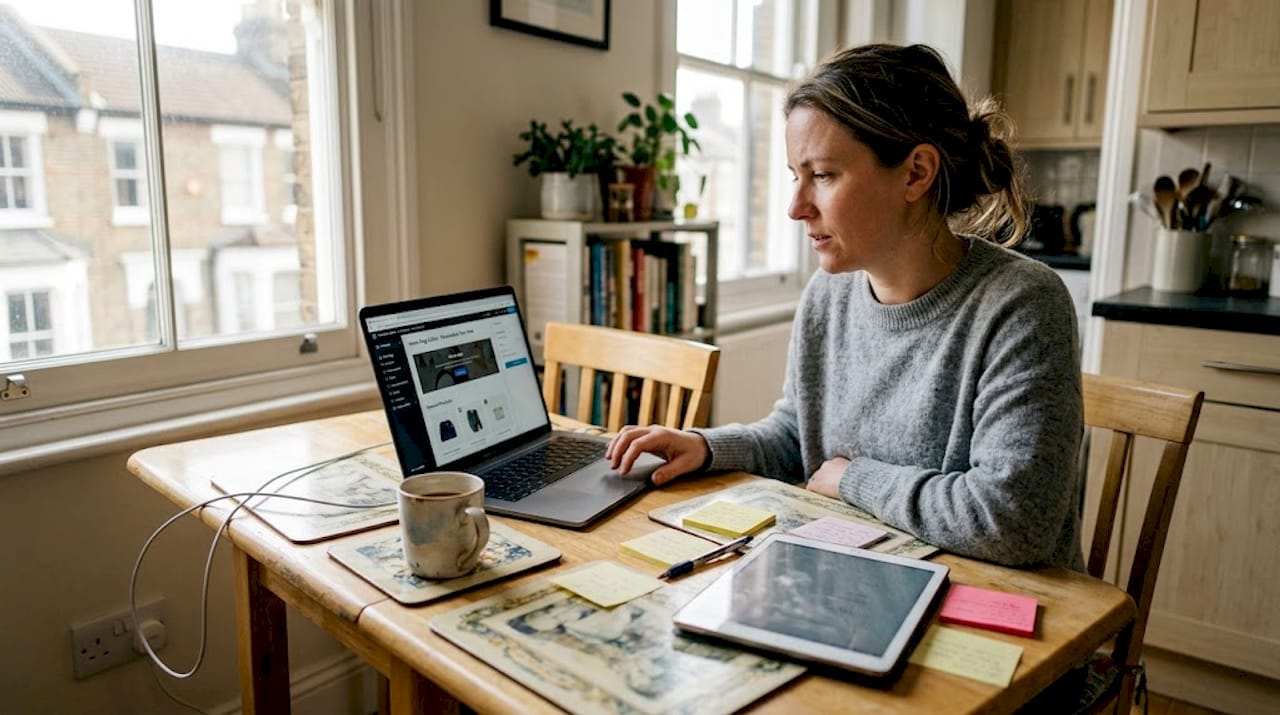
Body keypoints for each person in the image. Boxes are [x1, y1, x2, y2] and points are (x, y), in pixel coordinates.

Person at [606, 43, 1084, 571]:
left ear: (915, 173)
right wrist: (707, 446)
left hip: (1004, 615)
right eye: (795, 176)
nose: (796, 207)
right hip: (861, 580)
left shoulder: (1022, 305)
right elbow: (799, 435)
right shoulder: (828, 293)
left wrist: (851, 478)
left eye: (825, 175)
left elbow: (1012, 521)